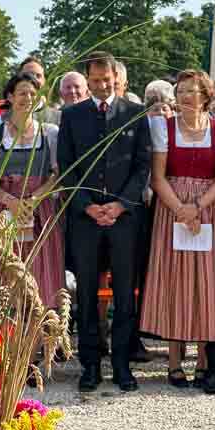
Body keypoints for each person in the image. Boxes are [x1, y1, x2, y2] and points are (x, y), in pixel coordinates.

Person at [140, 70, 215, 392]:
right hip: (171, 208)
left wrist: (198, 206)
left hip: (210, 209)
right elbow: (158, 177)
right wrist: (181, 209)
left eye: (193, 91)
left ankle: (206, 361)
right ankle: (174, 361)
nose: (187, 97)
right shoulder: (163, 127)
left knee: (209, 282)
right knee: (174, 280)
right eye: (182, 91)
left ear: (206, 95)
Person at [59, 51, 152, 393]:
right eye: (95, 80)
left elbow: (142, 165)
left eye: (107, 80)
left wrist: (120, 204)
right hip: (85, 220)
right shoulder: (72, 115)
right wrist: (86, 207)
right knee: (86, 294)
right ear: (88, 80)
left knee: (125, 294)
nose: (101, 86)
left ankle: (123, 364)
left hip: (124, 219)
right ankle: (90, 365)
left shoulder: (134, 113)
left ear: (117, 78)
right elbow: (67, 167)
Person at [0, 73, 64, 308]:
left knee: (42, 267)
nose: (28, 98)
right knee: (7, 266)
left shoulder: (49, 132)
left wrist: (34, 198)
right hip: (5, 209)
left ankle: (42, 326)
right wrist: (10, 201)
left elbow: (57, 174)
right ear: (10, 96)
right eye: (22, 93)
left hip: (39, 208)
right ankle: (8, 326)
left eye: (33, 93)